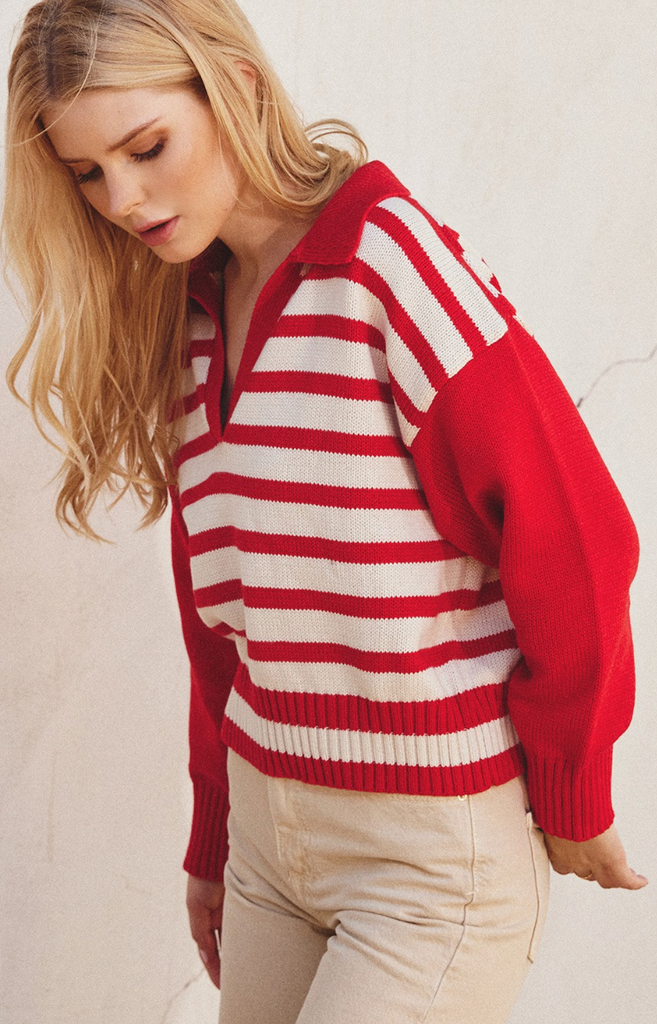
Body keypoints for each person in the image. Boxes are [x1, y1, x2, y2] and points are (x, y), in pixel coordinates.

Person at [3, 2, 648, 1022]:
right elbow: (228, 625)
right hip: (269, 848)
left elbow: (574, 532)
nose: (121, 199)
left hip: (426, 859)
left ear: (234, 87)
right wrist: (215, 836)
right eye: (87, 173)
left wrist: (574, 776)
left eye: (146, 147)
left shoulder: (385, 261)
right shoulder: (192, 318)